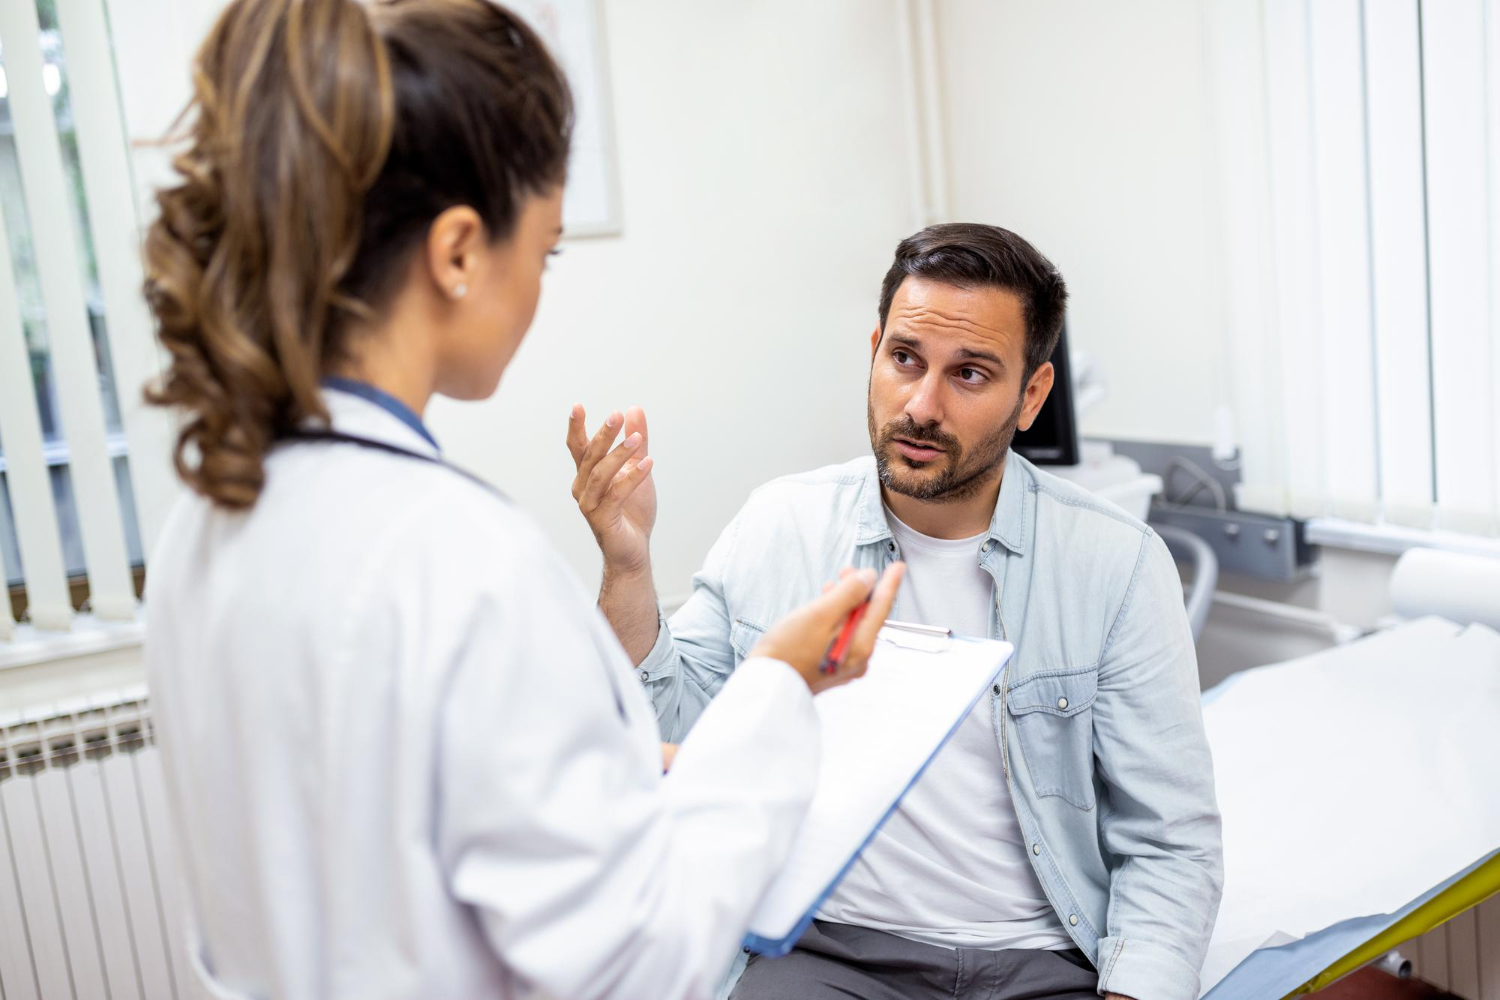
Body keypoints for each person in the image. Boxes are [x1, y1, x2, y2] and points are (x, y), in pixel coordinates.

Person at [140, 2, 904, 998]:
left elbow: (373, 833)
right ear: (459, 251)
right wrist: (780, 687)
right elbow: (642, 960)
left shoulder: (206, 520)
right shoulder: (459, 558)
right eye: (544, 252)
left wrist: (613, 773)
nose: (539, 287)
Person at [568, 223, 1224, 1000]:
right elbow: (669, 737)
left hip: (1041, 961)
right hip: (828, 952)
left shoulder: (1116, 562)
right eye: (905, 359)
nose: (921, 405)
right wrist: (628, 566)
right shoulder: (782, 525)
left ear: (1032, 395)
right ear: (875, 349)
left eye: (970, 373)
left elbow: (1169, 841)